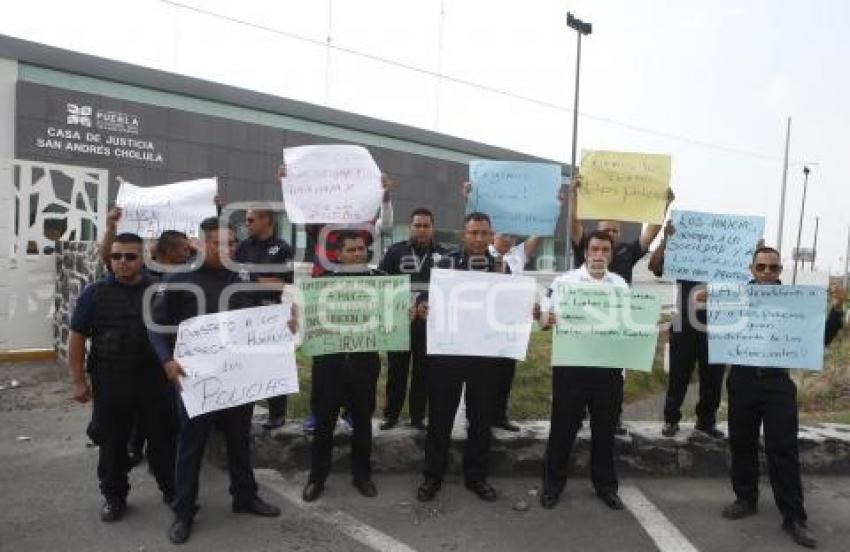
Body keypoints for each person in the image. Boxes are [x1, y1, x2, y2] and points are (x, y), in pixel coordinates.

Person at [149, 217, 285, 544]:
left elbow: (262, 319)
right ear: (201, 244)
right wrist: (166, 360)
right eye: (218, 244)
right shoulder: (179, 278)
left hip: (237, 380)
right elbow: (156, 324)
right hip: (197, 382)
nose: (227, 250)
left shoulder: (243, 276)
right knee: (191, 446)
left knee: (240, 441)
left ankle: (245, 496)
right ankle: (184, 511)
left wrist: (286, 323)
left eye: (231, 244)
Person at [720, 246, 845, 549]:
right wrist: (700, 306)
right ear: (751, 269)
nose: (766, 273)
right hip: (743, 380)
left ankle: (794, 516)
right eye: (761, 267)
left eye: (773, 268)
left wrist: (837, 312)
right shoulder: (733, 299)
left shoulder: (794, 302)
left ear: (780, 271)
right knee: (741, 442)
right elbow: (714, 330)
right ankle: (746, 498)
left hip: (777, 383)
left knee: (783, 448)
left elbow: (815, 341)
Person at [67, 233, 176, 522]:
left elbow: (181, 331)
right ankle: (114, 497)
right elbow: (77, 337)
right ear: (110, 259)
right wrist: (78, 380)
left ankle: (172, 490)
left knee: (162, 439)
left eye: (130, 256)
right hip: (110, 379)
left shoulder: (160, 291)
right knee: (112, 443)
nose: (123, 262)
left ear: (142, 259)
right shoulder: (94, 293)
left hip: (153, 381)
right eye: (117, 257)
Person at [570, 177, 674, 436]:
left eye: (616, 231)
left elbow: (650, 232)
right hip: (586, 322)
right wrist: (574, 198)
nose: (611, 235)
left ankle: (611, 419)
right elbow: (573, 225)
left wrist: (665, 204)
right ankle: (578, 416)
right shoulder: (587, 247)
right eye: (606, 230)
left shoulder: (629, 251)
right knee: (582, 371)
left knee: (615, 376)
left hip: (618, 325)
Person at [416, 212, 506, 503]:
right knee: (440, 417)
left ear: (491, 236)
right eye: (473, 233)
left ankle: (477, 477)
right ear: (462, 235)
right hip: (448, 355)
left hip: (485, 357)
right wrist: (423, 308)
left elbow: (509, 308)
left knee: (481, 420)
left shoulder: (502, 268)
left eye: (484, 233)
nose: (479, 238)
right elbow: (425, 300)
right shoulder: (444, 265)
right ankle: (432, 476)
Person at [537, 230, 629, 511]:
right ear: (585, 253)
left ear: (611, 255)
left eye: (605, 250)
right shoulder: (564, 282)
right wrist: (544, 316)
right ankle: (552, 486)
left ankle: (606, 486)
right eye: (594, 250)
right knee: (562, 430)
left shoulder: (620, 285)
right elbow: (543, 316)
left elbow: (628, 324)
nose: (599, 255)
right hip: (571, 368)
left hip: (608, 370)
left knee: (605, 432)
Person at [301, 230, 386, 502]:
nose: (358, 254)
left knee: (362, 422)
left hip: (364, 364)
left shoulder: (382, 283)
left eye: (361, 249)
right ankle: (317, 478)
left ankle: (362, 476)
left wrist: (404, 311)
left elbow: (393, 318)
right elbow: (308, 323)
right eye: (352, 250)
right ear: (338, 255)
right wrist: (297, 317)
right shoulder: (321, 284)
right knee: (324, 424)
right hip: (329, 366)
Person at [648, 221, 726, 438]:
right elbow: (654, 266)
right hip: (684, 322)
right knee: (678, 374)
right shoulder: (685, 257)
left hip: (719, 324)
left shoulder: (729, 263)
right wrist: (666, 240)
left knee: (714, 376)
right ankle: (670, 420)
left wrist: (753, 249)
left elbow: (747, 278)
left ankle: (706, 421)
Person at [377, 207, 453, 431]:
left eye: (426, 225)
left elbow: (450, 290)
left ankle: (418, 416)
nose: (421, 229)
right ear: (410, 227)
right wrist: (398, 306)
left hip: (430, 324)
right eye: (417, 225)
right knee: (396, 371)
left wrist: (433, 305)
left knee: (424, 372)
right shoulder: (394, 252)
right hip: (401, 322)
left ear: (432, 228)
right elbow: (382, 285)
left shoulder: (445, 255)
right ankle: (391, 415)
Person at [233, 205, 294, 430]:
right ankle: (242, 413)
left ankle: (277, 413)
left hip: (270, 312)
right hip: (245, 311)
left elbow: (282, 282)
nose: (247, 224)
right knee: (246, 366)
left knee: (273, 364)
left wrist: (252, 278)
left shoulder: (282, 248)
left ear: (266, 220)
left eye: (250, 220)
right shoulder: (242, 247)